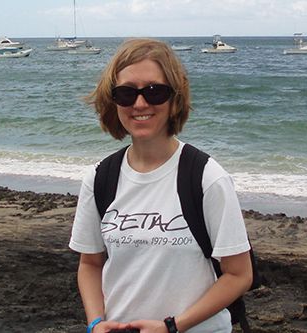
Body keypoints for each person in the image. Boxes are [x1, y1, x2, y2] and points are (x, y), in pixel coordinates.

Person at [69, 38, 253, 333]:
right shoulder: (101, 178)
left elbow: (239, 275)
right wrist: (95, 323)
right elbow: (90, 263)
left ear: (175, 98)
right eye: (126, 93)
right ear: (112, 100)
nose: (140, 104)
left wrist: (172, 326)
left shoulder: (207, 177)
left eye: (155, 92)